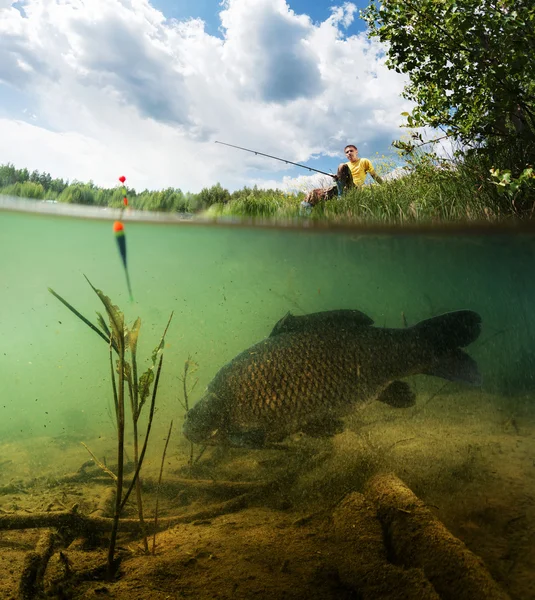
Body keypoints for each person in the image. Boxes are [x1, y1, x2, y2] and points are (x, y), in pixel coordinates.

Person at [300, 144, 383, 210]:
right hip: (343, 188)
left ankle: (341, 197)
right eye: (347, 152)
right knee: (314, 192)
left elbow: (374, 175)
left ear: (356, 151)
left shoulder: (364, 161)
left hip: (354, 188)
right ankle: (303, 216)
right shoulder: (347, 165)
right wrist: (337, 177)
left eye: (351, 151)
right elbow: (340, 178)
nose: (349, 153)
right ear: (346, 155)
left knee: (342, 165)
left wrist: (384, 185)